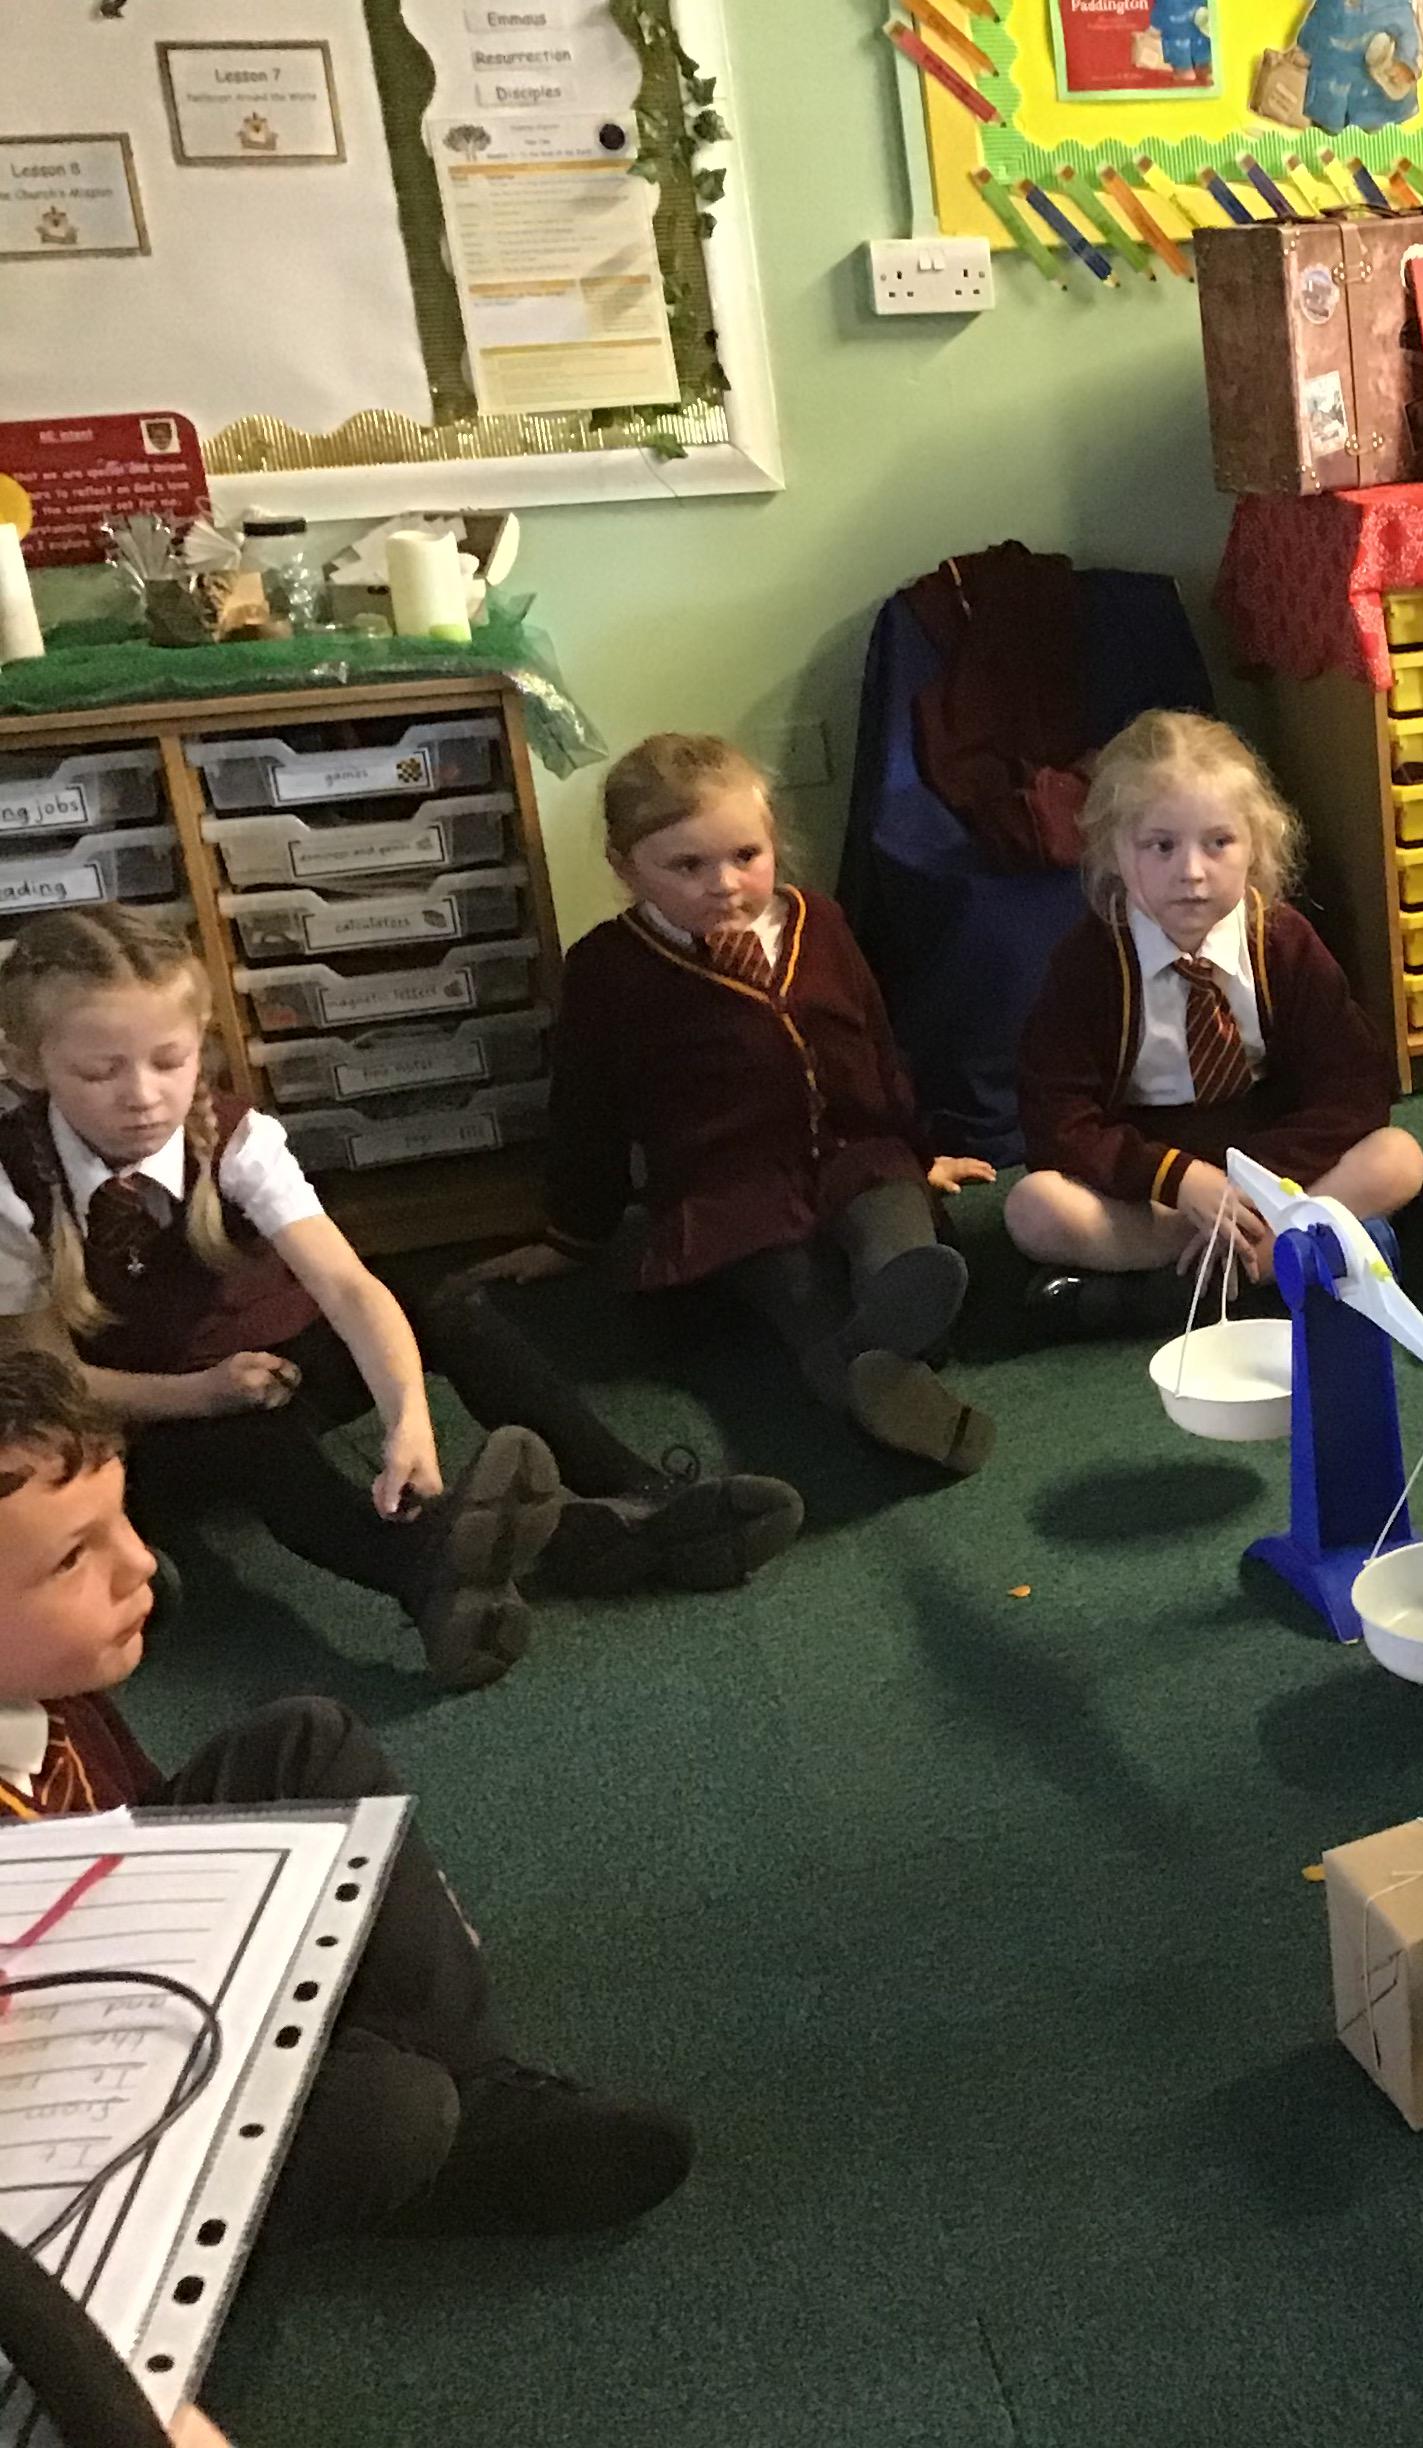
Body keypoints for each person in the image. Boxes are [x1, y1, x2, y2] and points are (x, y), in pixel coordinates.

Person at [0, 907, 795, 1691]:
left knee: (440, 1306)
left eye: (168, 1061)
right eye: (101, 1073)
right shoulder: (12, 1184)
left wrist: (407, 1417)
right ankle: (424, 1572)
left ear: (198, 1043)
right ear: (26, 1065)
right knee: (254, 1443)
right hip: (156, 1411)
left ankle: (635, 1495)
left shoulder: (235, 1138)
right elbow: (55, 1382)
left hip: (278, 1357)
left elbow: (348, 1286)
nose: (143, 1096)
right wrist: (201, 1394)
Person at [0, 1345, 691, 2239]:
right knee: (386, 2111)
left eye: (122, 1521)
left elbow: (135, 1833)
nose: (139, 1564)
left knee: (308, 1741)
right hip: (68, 2105)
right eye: (71, 1560)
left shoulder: (47, 1685)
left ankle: (481, 2089)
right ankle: (421, 2151)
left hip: (120, 1936)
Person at [480, 734, 998, 1476]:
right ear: (626, 868)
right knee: (801, 1296)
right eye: (687, 866)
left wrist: (919, 1154)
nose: (723, 884)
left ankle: (896, 1312)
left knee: (899, 1237)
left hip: (859, 1155)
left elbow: (877, 1046)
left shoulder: (819, 922)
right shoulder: (608, 968)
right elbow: (587, 1108)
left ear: (773, 843)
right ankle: (883, 1383)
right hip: (729, 1191)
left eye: (745, 856)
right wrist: (574, 1233)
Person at [1009, 711, 1423, 1334]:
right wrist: (1178, 1180)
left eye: (1219, 843)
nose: (1192, 872)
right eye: (1161, 846)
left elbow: (1354, 1087)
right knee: (1034, 1207)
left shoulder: (1283, 941)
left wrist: (1248, 1185)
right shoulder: (1089, 962)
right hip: (1156, 1187)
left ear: (1257, 845)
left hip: (1271, 1165)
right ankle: (1266, 1262)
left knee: (1399, 1157)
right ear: (1115, 851)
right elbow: (1057, 1119)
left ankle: (1203, 1276)